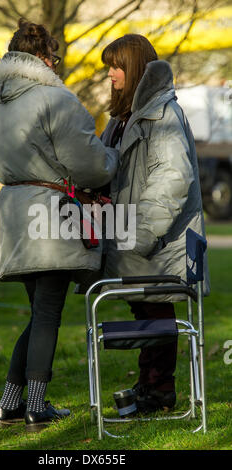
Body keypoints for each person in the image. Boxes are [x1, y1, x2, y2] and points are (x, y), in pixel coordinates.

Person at [0, 19, 118, 431]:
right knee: (47, 313)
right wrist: (112, 161)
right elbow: (90, 164)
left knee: (38, 311)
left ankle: (10, 401)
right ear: (43, 58)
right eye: (54, 57)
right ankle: (35, 405)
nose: (57, 65)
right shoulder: (53, 99)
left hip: (15, 212)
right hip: (50, 213)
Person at [100, 34, 210, 415]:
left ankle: (161, 389)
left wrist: (141, 233)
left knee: (157, 310)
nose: (110, 74)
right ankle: (150, 385)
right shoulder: (123, 117)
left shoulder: (161, 113)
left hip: (158, 241)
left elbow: (173, 179)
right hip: (132, 236)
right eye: (108, 67)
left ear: (133, 68)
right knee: (144, 311)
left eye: (116, 66)